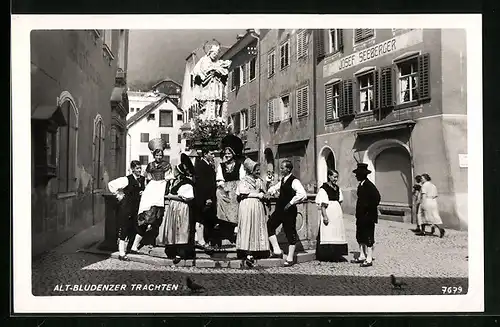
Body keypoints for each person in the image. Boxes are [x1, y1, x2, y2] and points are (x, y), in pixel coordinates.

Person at [129, 138, 170, 253]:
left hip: (161, 189)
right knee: (146, 215)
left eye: (160, 155)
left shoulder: (166, 165)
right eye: (157, 155)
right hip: (151, 190)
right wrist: (145, 189)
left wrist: (165, 189)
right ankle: (136, 244)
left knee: (157, 218)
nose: (159, 157)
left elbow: (169, 179)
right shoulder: (150, 165)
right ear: (154, 155)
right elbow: (147, 179)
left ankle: (154, 242)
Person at [267, 160, 307, 267]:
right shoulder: (283, 180)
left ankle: (290, 258)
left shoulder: (294, 181)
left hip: (289, 211)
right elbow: (275, 188)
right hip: (280, 209)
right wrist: (269, 191)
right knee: (270, 225)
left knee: (290, 232)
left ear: (288, 169)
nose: (280, 170)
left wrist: (291, 202)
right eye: (280, 168)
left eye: (282, 168)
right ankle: (277, 251)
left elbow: (303, 194)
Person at [107, 160, 145, 261]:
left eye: (140, 168)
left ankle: (133, 247)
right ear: (132, 169)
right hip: (126, 207)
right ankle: (122, 253)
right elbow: (111, 184)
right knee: (124, 229)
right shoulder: (126, 179)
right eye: (137, 168)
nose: (139, 170)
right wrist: (119, 195)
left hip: (137, 207)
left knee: (139, 227)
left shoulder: (142, 179)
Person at [235, 158, 270, 268]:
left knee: (256, 227)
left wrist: (266, 193)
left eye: (259, 170)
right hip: (247, 205)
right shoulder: (244, 181)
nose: (258, 172)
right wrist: (257, 195)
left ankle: (256, 249)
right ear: (250, 170)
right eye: (256, 170)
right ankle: (247, 252)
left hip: (257, 206)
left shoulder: (259, 181)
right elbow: (242, 193)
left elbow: (264, 190)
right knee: (247, 226)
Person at [163, 153, 196, 264]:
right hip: (174, 208)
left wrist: (171, 196)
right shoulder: (175, 182)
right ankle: (173, 251)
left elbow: (187, 197)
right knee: (174, 229)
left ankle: (181, 253)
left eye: (176, 170)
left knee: (181, 229)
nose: (174, 172)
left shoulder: (186, 184)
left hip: (181, 209)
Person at [216, 134, 245, 245]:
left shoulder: (239, 165)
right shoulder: (221, 166)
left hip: (236, 188)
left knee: (236, 203)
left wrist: (236, 189)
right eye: (226, 153)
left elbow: (242, 179)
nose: (227, 155)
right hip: (225, 189)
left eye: (229, 153)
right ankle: (224, 228)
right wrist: (224, 187)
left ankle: (236, 229)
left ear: (233, 154)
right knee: (219, 193)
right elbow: (219, 179)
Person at [192, 41, 232, 121]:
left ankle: (216, 117)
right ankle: (208, 118)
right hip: (208, 86)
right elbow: (203, 71)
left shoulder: (218, 62)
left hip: (216, 85)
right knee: (209, 101)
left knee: (216, 101)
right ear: (210, 53)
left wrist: (218, 69)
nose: (215, 56)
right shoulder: (204, 60)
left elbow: (224, 70)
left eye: (216, 54)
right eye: (214, 54)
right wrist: (214, 69)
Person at [351, 163, 381, 268]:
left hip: (368, 216)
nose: (356, 176)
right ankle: (362, 256)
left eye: (358, 174)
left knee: (368, 236)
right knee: (360, 235)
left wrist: (368, 209)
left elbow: (377, 198)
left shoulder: (369, 185)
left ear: (362, 174)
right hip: (361, 216)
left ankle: (369, 258)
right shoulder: (361, 185)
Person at [314, 169, 348, 262]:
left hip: (336, 213)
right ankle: (326, 255)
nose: (335, 179)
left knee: (336, 233)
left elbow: (339, 201)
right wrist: (325, 216)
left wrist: (338, 213)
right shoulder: (324, 188)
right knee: (328, 232)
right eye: (334, 177)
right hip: (328, 212)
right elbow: (323, 205)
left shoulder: (337, 188)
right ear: (329, 176)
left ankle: (336, 254)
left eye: (337, 177)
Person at [193, 147, 218, 251]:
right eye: (211, 153)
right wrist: (207, 198)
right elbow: (202, 184)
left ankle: (203, 240)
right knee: (201, 218)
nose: (213, 156)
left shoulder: (208, 165)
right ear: (205, 154)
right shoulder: (200, 166)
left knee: (206, 219)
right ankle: (200, 240)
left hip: (209, 197)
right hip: (203, 197)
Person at [419, 173, 446, 238]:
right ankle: (440, 229)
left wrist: (422, 203)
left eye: (422, 178)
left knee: (423, 216)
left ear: (425, 179)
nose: (421, 180)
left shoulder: (424, 186)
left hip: (427, 201)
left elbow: (424, 195)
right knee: (434, 216)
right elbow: (436, 195)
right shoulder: (433, 185)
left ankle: (423, 231)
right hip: (433, 201)